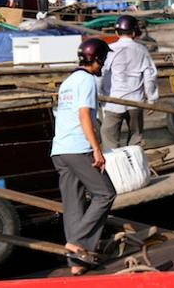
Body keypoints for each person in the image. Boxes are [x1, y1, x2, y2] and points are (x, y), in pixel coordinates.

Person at [51, 39, 116, 276]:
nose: (103, 64)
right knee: (105, 193)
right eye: (103, 59)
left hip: (59, 150)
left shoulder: (68, 81)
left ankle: (76, 264)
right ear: (97, 59)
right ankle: (77, 242)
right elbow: (84, 116)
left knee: (73, 205)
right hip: (78, 148)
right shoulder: (87, 81)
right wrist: (97, 148)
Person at [100, 15, 158, 150]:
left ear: (116, 33)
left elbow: (101, 74)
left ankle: (114, 169)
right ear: (133, 32)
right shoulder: (142, 50)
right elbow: (150, 76)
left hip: (113, 102)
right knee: (135, 140)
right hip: (135, 103)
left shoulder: (109, 50)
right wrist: (151, 100)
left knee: (109, 140)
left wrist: (99, 96)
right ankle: (135, 167)